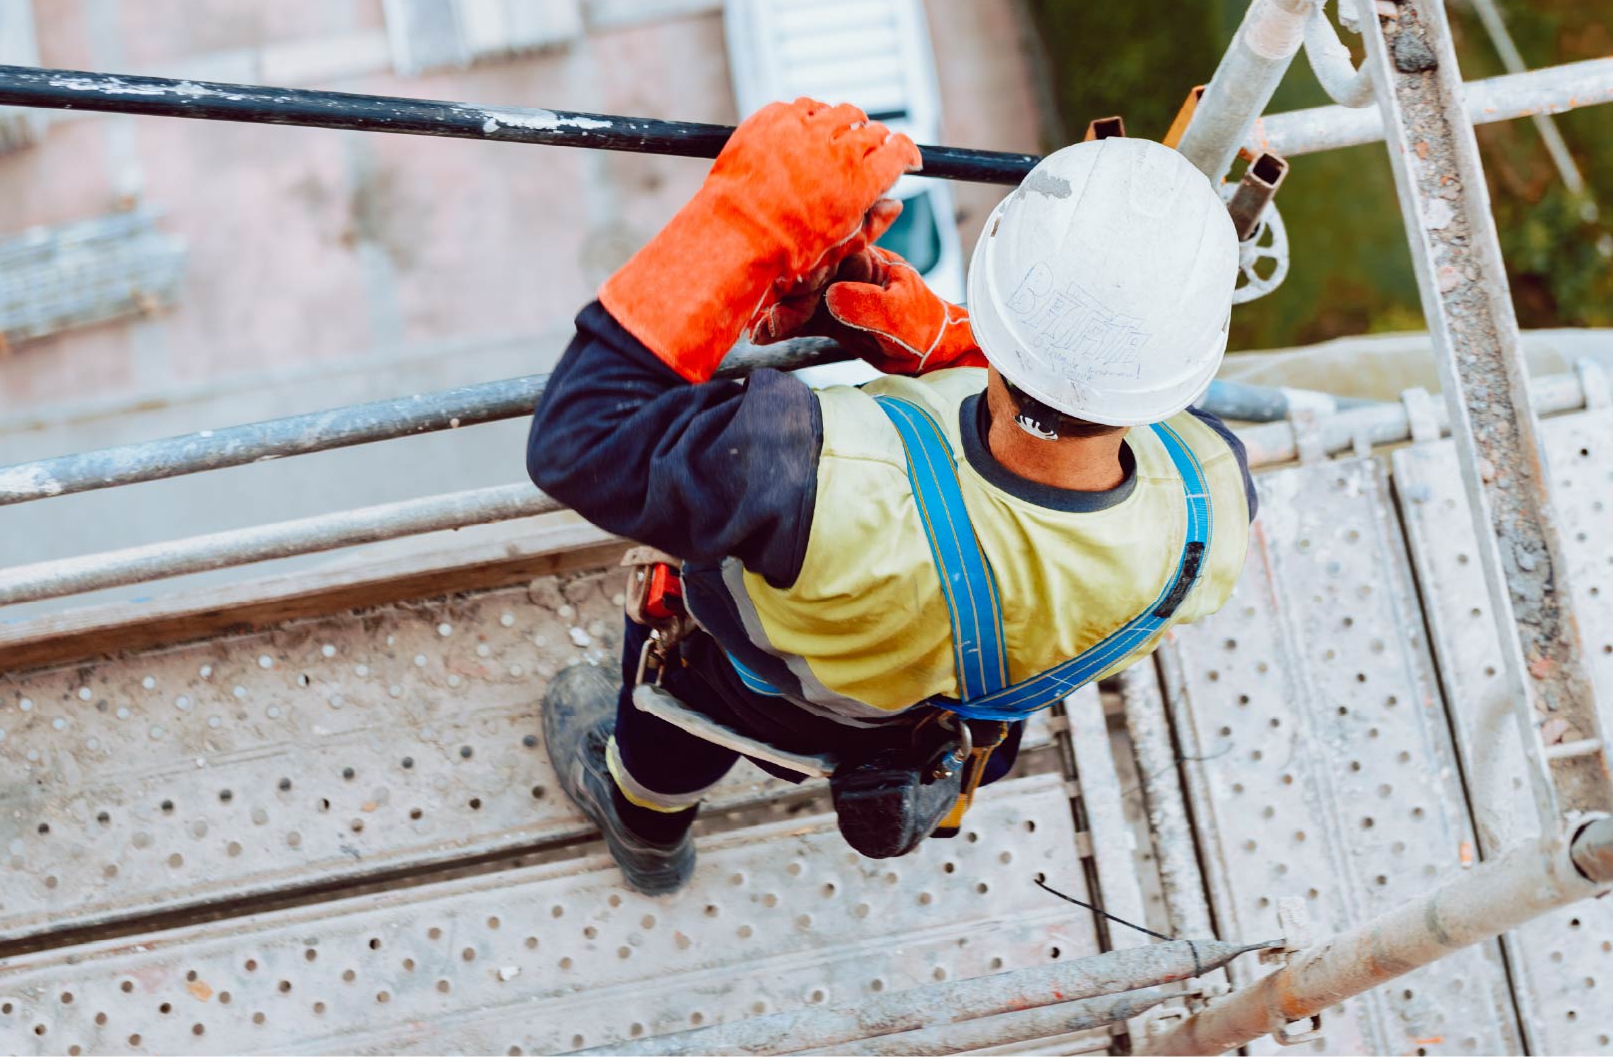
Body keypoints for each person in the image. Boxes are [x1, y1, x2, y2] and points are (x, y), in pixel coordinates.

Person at [528, 98, 1256, 894]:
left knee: (672, 738)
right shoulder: (1212, 495)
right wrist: (958, 350)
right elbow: (1072, 419)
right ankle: (649, 832)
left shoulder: (820, 470)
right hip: (946, 717)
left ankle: (645, 834)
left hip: (751, 680)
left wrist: (746, 223)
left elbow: (586, 436)